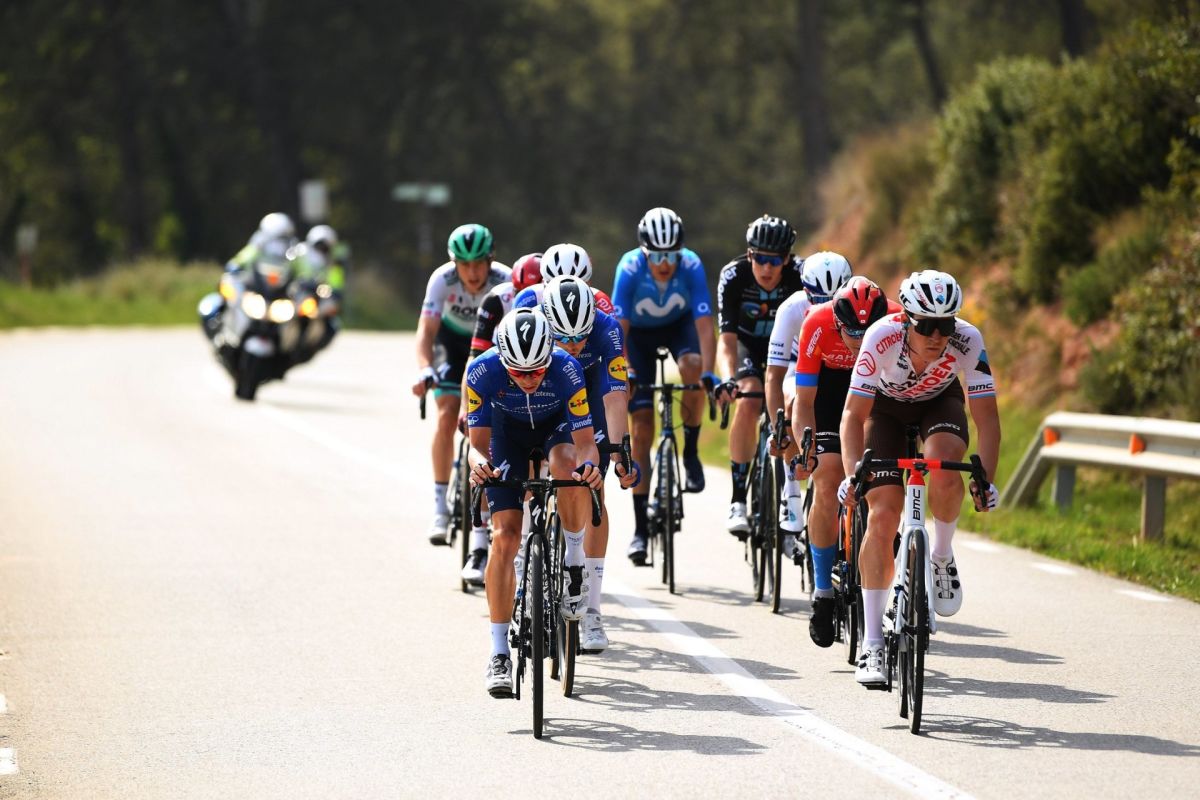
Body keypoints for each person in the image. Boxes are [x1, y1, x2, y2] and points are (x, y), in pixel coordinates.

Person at [839, 269, 1000, 686]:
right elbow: (853, 415)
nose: (937, 336)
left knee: (945, 467)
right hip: (884, 410)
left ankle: (941, 555)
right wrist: (854, 475)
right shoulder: (880, 336)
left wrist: (985, 480)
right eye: (927, 326)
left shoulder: (968, 340)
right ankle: (873, 644)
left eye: (946, 326)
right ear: (906, 320)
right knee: (882, 515)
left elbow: (987, 419)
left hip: (938, 403)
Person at [466, 308, 605, 697]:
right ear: (503, 360)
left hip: (554, 428)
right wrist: (479, 467)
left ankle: (573, 559)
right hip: (505, 435)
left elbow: (586, 444)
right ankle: (498, 653)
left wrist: (591, 467)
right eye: (519, 372)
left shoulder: (567, 368)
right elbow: (475, 447)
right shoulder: (481, 371)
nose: (529, 380)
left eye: (537, 371)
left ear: (549, 356)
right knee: (505, 537)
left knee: (569, 466)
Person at [790, 277, 899, 647]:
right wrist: (806, 449)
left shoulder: (897, 321)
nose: (860, 338)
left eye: (867, 330)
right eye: (852, 331)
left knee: (883, 479)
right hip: (829, 391)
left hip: (876, 394)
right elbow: (804, 401)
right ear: (837, 322)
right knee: (826, 480)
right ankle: (823, 592)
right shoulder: (817, 323)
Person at [611, 208, 716, 565]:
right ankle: (640, 530)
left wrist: (709, 373)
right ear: (644, 253)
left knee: (693, 367)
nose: (665, 263)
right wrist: (624, 368)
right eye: (656, 256)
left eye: (671, 254)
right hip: (637, 338)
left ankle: (690, 451)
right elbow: (619, 329)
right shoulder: (628, 268)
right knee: (641, 431)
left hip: (678, 328)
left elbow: (705, 325)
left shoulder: (692, 265)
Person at [540, 276, 638, 651]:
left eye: (581, 336)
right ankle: (528, 577)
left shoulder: (607, 328)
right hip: (543, 397)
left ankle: (592, 610)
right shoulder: (530, 320)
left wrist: (620, 449)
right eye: (563, 338)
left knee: (594, 491)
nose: (573, 344)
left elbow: (615, 395)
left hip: (590, 399)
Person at [413, 224, 511, 545]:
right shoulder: (442, 279)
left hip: (490, 346)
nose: (472, 272)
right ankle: (440, 507)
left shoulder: (505, 279)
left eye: (478, 263)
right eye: (464, 264)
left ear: (490, 261)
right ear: (454, 263)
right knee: (446, 415)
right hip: (452, 345)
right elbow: (426, 331)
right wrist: (425, 369)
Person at [714, 214, 806, 536]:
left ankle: (790, 499)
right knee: (749, 398)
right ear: (749, 255)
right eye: (760, 259)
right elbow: (726, 341)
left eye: (776, 260)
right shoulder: (734, 275)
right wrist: (728, 379)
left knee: (794, 405)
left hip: (789, 349)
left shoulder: (802, 275)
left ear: (787, 259)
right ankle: (738, 500)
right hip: (748, 347)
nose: (767, 268)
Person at [458, 252, 544, 586]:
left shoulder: (550, 312)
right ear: (514, 289)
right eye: (523, 294)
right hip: (497, 383)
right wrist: (467, 408)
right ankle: (479, 545)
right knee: (488, 460)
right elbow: (475, 361)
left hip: (535, 385)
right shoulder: (497, 300)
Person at [765, 251, 853, 538]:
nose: (827, 309)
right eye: (818, 300)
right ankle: (791, 486)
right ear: (805, 291)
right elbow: (774, 375)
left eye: (834, 300)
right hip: (798, 366)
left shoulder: (860, 306)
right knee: (794, 402)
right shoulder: (791, 309)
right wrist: (777, 428)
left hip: (841, 368)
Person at [511, 243, 616, 315]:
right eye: (558, 290)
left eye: (575, 289)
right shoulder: (527, 299)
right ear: (543, 282)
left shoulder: (601, 302)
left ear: (588, 283)